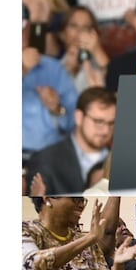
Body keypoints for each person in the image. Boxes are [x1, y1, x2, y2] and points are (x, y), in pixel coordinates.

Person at [25, 86, 116, 195]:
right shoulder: (45, 161)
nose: (106, 130)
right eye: (98, 121)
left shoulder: (122, 161)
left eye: (111, 123)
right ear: (79, 117)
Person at [22, 14, 79, 164]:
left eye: (23, 25)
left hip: (50, 157)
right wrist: (22, 69)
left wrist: (56, 108)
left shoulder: (52, 68)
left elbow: (73, 122)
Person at [58, 5, 110, 93]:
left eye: (85, 27)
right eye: (74, 26)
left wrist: (97, 51)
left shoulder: (100, 62)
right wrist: (66, 71)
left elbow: (120, 94)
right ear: (62, 34)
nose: (80, 32)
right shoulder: (52, 67)